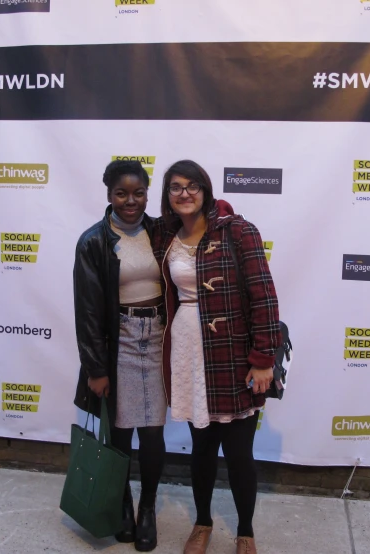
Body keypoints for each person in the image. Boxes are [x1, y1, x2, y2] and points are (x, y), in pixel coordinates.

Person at [152, 160, 281, 554]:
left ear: (205, 190)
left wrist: (263, 359)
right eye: (176, 187)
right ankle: (203, 522)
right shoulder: (165, 237)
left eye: (192, 186)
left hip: (233, 354)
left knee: (240, 452)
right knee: (202, 448)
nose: (184, 193)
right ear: (168, 196)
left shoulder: (238, 231)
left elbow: (264, 295)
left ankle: (245, 531)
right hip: (189, 351)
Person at [73, 159, 166, 552]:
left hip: (160, 339)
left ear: (148, 192)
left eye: (139, 192)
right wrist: (96, 367)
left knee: (154, 433)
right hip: (121, 342)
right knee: (123, 431)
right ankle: (123, 501)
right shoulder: (93, 241)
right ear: (109, 195)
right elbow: (89, 310)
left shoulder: (162, 232)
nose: (131, 201)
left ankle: (147, 508)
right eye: (122, 193)